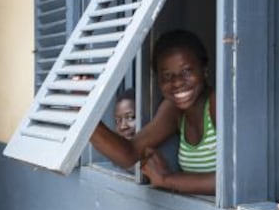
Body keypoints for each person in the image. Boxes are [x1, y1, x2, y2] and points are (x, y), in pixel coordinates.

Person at [90, 29, 216, 195]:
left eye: (186, 71)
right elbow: (129, 153)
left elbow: (232, 182)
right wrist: (85, 117)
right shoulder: (173, 109)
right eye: (167, 76)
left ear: (204, 70)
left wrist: (167, 179)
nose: (177, 82)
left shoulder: (217, 103)